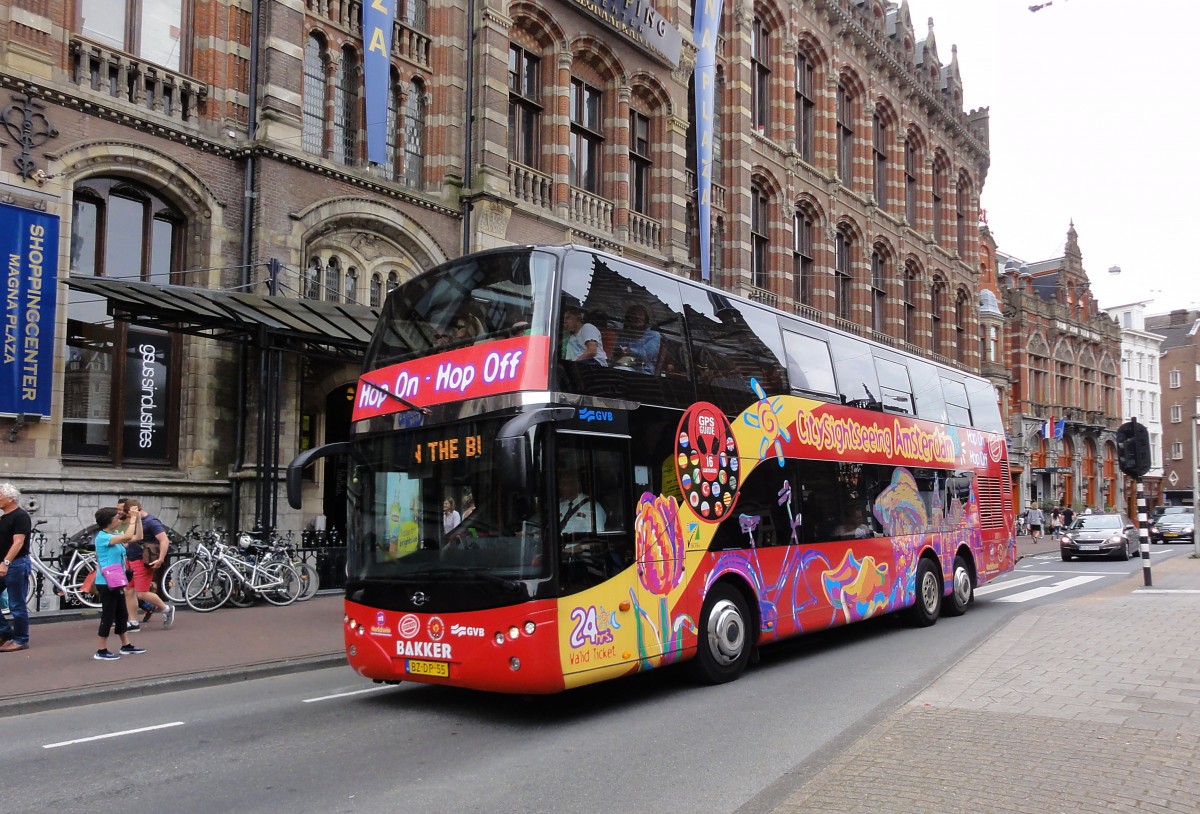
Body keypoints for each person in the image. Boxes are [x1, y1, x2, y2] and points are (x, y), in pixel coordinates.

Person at [92, 505, 147, 661]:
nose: (119, 519)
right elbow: (127, 537)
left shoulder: (114, 534)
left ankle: (126, 645)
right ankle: (101, 650)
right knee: (108, 616)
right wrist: (133, 518)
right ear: (108, 520)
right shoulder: (103, 537)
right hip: (106, 582)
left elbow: (137, 537)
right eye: (116, 517)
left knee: (122, 613)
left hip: (117, 580)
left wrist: (138, 521)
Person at [119, 499, 175, 630]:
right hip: (130, 558)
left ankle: (166, 608)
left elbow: (164, 540)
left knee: (141, 593)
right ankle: (133, 621)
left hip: (142, 560)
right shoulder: (133, 521)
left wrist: (160, 558)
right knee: (128, 590)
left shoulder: (151, 522)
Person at [0, 482, 33, 653]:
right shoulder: (4, 517)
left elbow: (18, 542)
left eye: (0, 495)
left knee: (16, 603)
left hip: (15, 564)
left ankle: (21, 639)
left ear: (10, 498)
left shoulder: (20, 516)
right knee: (15, 602)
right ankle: (5, 631)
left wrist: (5, 562)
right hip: (5, 564)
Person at [613, 304, 661, 375]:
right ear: (628, 318)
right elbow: (615, 352)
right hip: (621, 366)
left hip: (643, 373)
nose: (637, 317)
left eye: (640, 314)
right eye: (633, 315)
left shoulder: (654, 335)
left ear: (646, 319)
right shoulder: (624, 335)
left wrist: (629, 351)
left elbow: (648, 355)